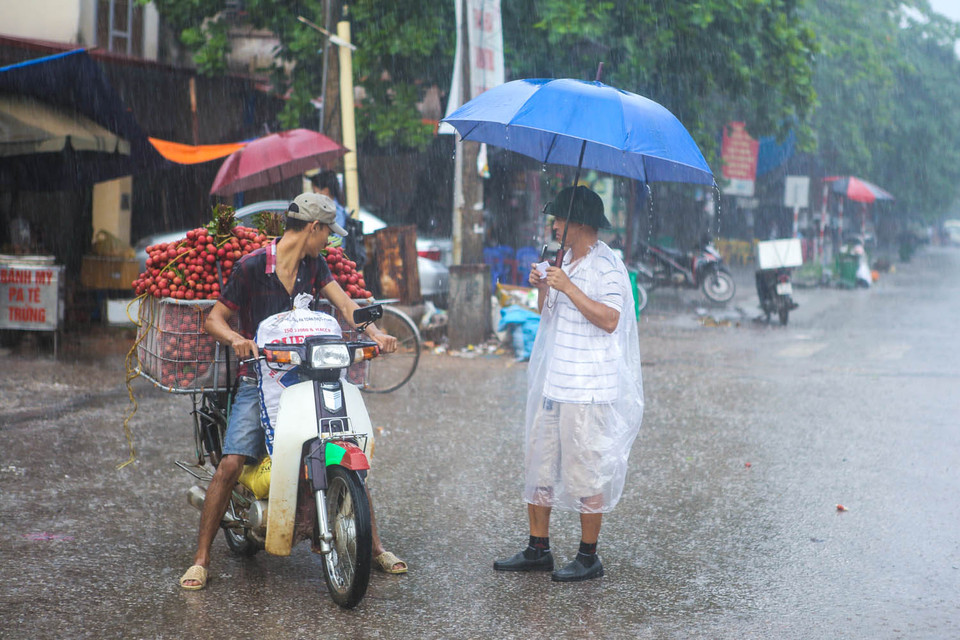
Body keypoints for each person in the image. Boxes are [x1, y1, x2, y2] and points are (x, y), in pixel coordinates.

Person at [179, 192, 407, 590]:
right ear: (313, 228)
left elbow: (346, 305)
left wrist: (375, 331)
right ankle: (200, 558)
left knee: (341, 442)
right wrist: (236, 339)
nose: (328, 241)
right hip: (258, 377)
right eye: (326, 233)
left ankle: (374, 546)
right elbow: (214, 318)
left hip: (306, 376)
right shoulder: (251, 267)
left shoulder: (314, 265)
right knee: (232, 462)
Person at [494, 186, 643, 582]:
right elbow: (548, 314)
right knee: (539, 469)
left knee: (586, 474)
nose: (553, 226)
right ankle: (537, 548)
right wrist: (545, 286)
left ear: (579, 223)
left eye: (558, 219)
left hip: (588, 388)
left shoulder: (607, 267)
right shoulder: (565, 262)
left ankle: (588, 556)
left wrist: (568, 287)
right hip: (554, 383)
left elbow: (610, 319)